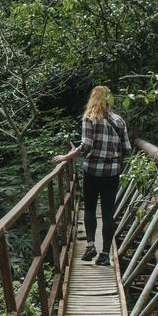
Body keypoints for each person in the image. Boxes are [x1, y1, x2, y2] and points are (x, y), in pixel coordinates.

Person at [52, 85, 133, 264]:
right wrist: (114, 158)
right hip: (112, 173)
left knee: (89, 208)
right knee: (107, 213)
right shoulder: (119, 120)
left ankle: (90, 246)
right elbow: (127, 150)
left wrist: (66, 157)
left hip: (92, 171)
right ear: (108, 99)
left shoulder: (89, 117)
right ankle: (105, 255)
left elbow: (86, 145)